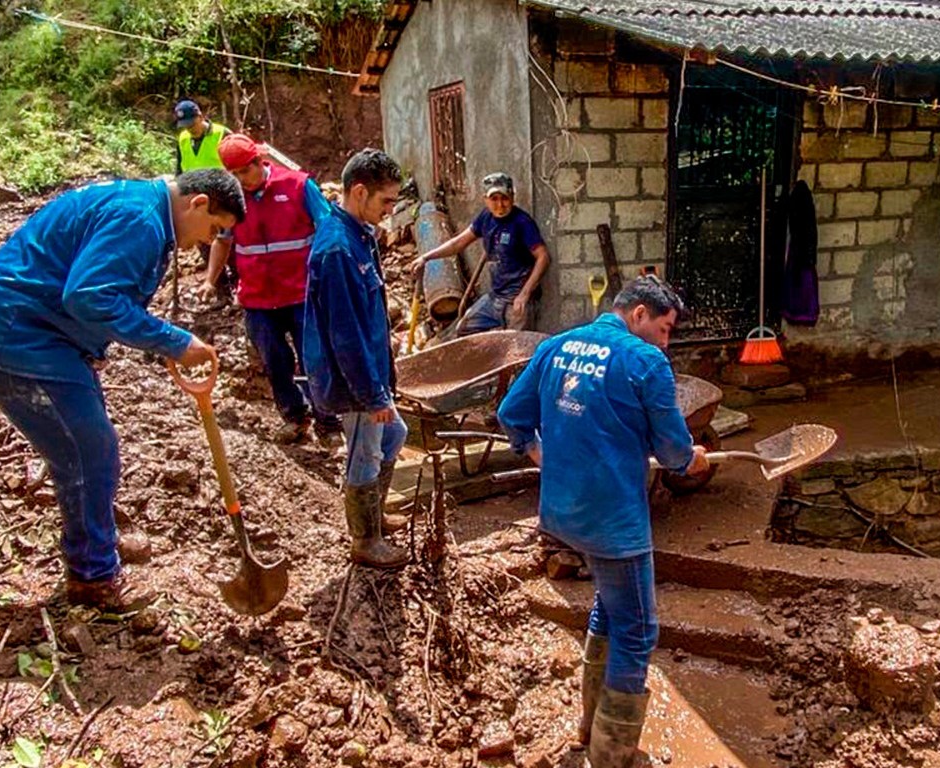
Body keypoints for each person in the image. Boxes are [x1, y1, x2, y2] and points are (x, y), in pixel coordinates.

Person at [0, 170, 246, 611]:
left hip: (36, 331)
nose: (207, 241)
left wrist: (91, 340)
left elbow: (83, 284)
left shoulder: (141, 207)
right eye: (214, 229)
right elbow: (90, 296)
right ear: (198, 202)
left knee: (89, 443)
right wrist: (175, 341)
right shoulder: (141, 219)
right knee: (87, 449)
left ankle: (96, 542)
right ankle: (93, 578)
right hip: (17, 335)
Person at [496, 275, 710, 767]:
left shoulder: (557, 345)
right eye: (665, 327)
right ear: (638, 315)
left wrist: (536, 452)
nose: (666, 339)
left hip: (562, 513)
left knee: (609, 609)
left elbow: (511, 412)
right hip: (614, 522)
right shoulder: (646, 361)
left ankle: (588, 730)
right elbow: (674, 452)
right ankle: (613, 755)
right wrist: (693, 458)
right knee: (637, 632)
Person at [304, 149, 410, 569]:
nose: (389, 210)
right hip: (351, 379)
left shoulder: (358, 233)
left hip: (368, 370)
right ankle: (365, 540)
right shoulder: (337, 250)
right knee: (364, 452)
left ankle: (375, 516)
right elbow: (345, 336)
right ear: (360, 192)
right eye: (385, 201)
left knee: (394, 435)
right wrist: (372, 394)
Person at [199, 134, 342, 447]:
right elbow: (223, 240)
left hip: (302, 293)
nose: (241, 181)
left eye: (245, 172)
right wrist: (211, 280)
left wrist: (331, 274)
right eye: (233, 175)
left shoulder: (298, 186)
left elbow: (329, 228)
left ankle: (328, 423)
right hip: (258, 298)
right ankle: (294, 416)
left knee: (314, 358)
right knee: (274, 360)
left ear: (259, 162)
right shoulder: (231, 200)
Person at [410, 173, 550, 335]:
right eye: (494, 199)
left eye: (504, 198)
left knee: (516, 347)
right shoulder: (485, 218)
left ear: (512, 197)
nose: (500, 205)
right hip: (495, 296)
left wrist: (524, 294)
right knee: (463, 329)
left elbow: (543, 257)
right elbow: (458, 243)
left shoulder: (522, 222)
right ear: (485, 199)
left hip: (517, 300)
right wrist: (426, 257)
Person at [174, 100, 231, 172]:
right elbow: (179, 168)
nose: (189, 129)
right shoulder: (183, 138)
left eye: (192, 125)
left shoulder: (222, 134)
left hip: (219, 182)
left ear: (200, 117)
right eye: (185, 126)